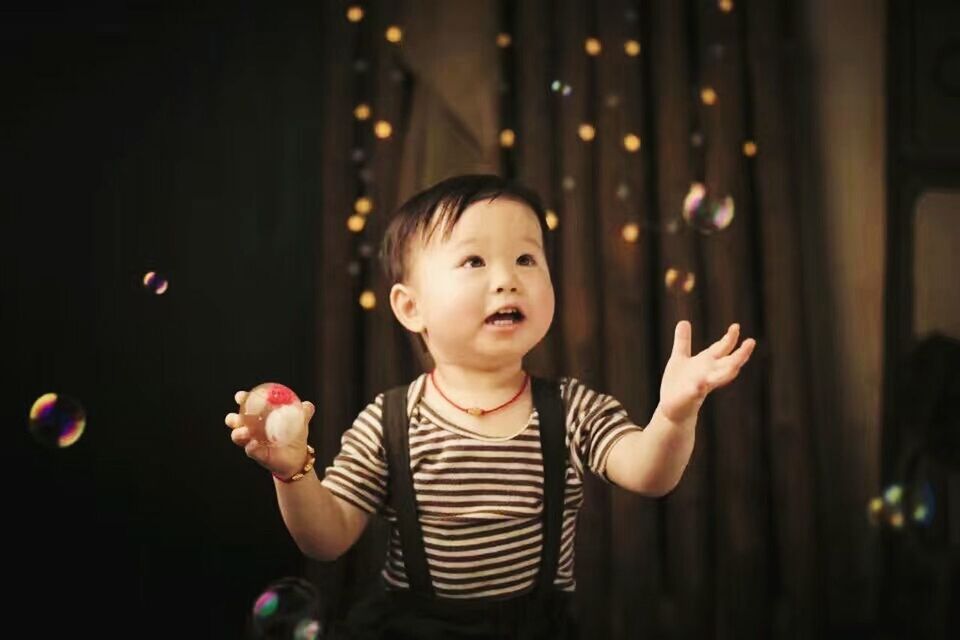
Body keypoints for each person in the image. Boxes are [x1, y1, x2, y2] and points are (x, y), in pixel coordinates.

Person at [226, 174, 756, 638]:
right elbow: (327, 539)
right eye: (474, 260)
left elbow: (650, 473)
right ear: (411, 308)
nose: (507, 278)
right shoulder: (388, 423)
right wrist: (293, 471)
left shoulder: (571, 409)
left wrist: (674, 414)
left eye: (526, 258)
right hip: (416, 630)